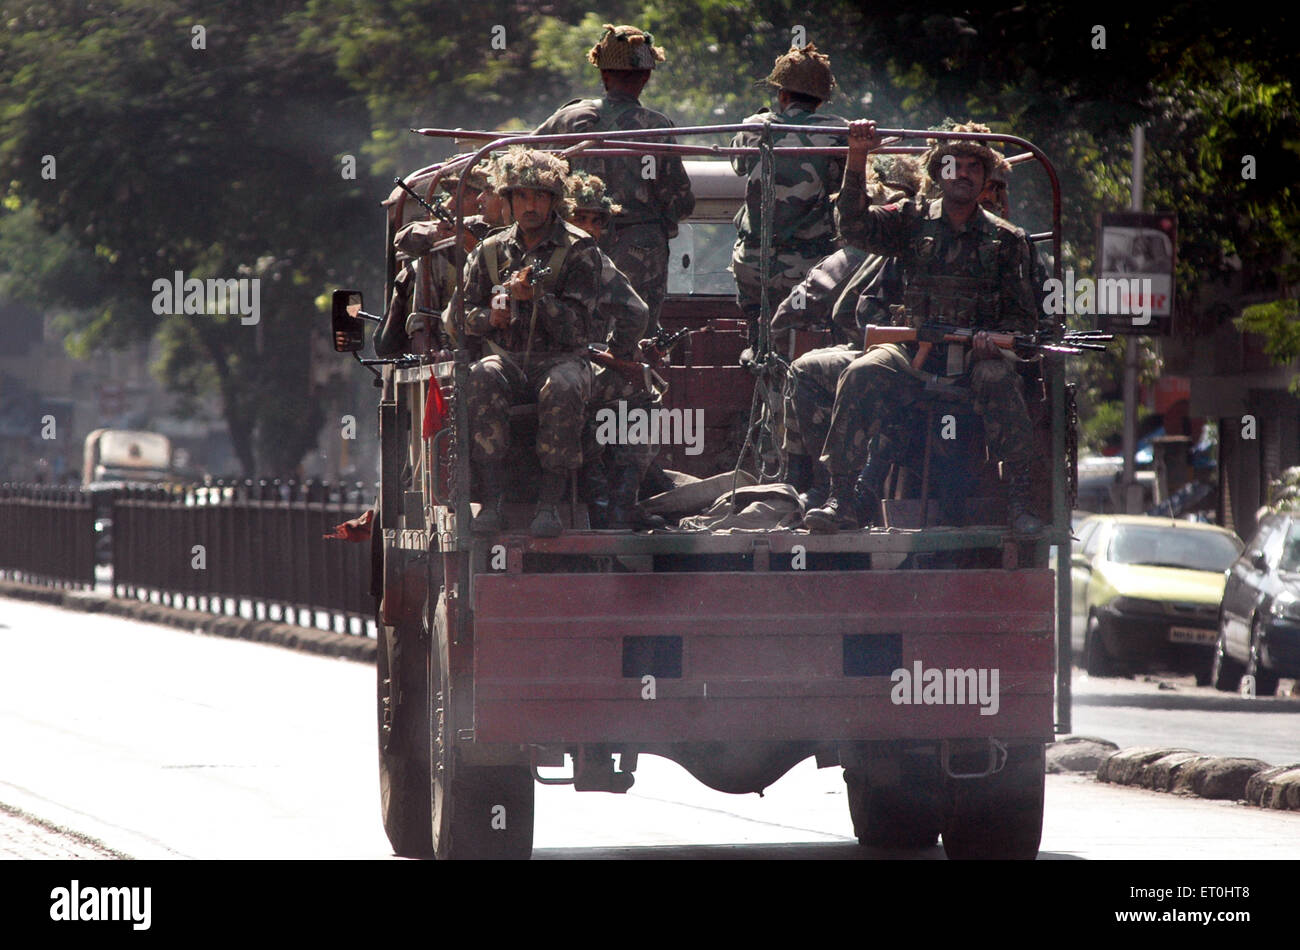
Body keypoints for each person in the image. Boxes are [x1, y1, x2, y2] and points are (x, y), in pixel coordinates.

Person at [805, 119, 1043, 534]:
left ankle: (1019, 504)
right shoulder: (910, 221)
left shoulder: (1006, 240)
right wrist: (857, 156)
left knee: (1000, 378)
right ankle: (840, 497)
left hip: (971, 360)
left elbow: (1023, 319)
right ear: (938, 172)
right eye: (954, 164)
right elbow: (854, 225)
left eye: (974, 166)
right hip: (911, 351)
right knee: (861, 372)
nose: (963, 173)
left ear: (985, 177)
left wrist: (995, 343)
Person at [455, 147, 602, 537]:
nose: (530, 205)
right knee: (482, 375)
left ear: (554, 201)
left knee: (565, 386)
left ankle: (550, 504)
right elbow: (457, 319)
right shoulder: (490, 250)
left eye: (539, 196)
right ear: (508, 200)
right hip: (507, 358)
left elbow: (579, 329)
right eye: (521, 195)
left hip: (560, 358)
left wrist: (539, 300)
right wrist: (490, 317)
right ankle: (493, 501)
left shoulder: (579, 249)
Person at [777, 155, 921, 507]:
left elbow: (795, 309)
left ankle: (816, 483)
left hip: (897, 357)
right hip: (904, 356)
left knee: (802, 372)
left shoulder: (860, 250)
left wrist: (770, 340)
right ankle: (840, 487)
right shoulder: (920, 233)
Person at [533, 23, 694, 333]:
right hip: (638, 249)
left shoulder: (566, 119)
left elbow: (529, 167)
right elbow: (681, 203)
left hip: (569, 243)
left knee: (568, 328)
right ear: (646, 76)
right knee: (635, 334)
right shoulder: (657, 129)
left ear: (603, 74)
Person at [563, 171, 665, 530]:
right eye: (579, 218)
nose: (589, 227)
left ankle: (617, 504)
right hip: (556, 367)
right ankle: (612, 504)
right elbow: (636, 312)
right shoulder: (585, 257)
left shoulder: (593, 258)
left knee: (637, 397)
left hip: (578, 365)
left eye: (596, 220)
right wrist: (620, 356)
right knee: (641, 395)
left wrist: (621, 355)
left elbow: (632, 314)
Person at [730, 42, 847, 340]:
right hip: (808, 271)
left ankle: (756, 349)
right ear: (820, 101)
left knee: (759, 330)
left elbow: (738, 164)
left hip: (752, 266)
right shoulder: (838, 132)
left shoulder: (755, 126)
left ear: (782, 95)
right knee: (805, 341)